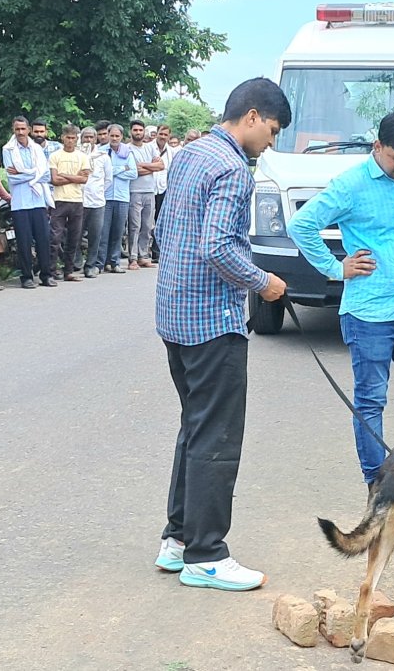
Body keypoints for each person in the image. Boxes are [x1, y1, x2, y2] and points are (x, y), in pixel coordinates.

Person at [154, 77, 291, 591]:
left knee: (195, 426)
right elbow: (218, 247)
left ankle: (177, 540)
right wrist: (266, 282)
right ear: (252, 116)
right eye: (273, 131)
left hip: (175, 317)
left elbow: (166, 230)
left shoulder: (191, 154)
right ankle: (206, 554)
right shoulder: (234, 168)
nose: (271, 143)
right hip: (213, 322)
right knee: (217, 436)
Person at [288, 112, 394, 496]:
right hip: (370, 313)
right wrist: (335, 267)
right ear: (377, 147)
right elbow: (301, 225)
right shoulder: (352, 184)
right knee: (371, 401)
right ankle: (379, 485)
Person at [3, 115, 57, 289]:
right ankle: (26, 277)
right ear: (14, 130)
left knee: (43, 239)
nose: (20, 132)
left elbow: (46, 175)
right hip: (20, 203)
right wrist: (35, 174)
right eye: (17, 129)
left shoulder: (36, 149)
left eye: (23, 129)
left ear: (29, 130)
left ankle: (46, 275)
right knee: (24, 241)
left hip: (38, 200)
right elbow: (12, 178)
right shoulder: (8, 149)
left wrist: (24, 173)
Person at [48, 124, 91, 281]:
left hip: (77, 201)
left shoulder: (82, 157)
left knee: (74, 238)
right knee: (55, 238)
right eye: (68, 137)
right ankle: (51, 271)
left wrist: (64, 175)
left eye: (73, 138)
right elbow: (54, 180)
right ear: (62, 137)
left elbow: (84, 179)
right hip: (59, 201)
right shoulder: (55, 156)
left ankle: (68, 271)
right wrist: (74, 176)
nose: (70, 141)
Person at [95, 124, 136, 273]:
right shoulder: (100, 152)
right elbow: (100, 173)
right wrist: (121, 169)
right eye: (111, 135)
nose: (114, 138)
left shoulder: (127, 152)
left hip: (122, 197)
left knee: (118, 232)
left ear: (121, 137)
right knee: (103, 232)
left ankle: (114, 262)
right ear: (107, 135)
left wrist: (113, 171)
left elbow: (133, 173)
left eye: (117, 136)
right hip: (105, 196)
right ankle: (100, 263)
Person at [76, 126, 112, 278]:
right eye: (86, 137)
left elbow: (108, 179)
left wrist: (98, 191)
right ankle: (76, 263)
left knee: (95, 235)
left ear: (96, 139)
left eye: (91, 137)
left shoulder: (103, 156)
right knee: (75, 234)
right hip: (78, 200)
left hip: (97, 202)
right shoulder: (75, 155)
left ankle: (90, 265)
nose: (88, 140)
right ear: (81, 138)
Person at [126, 120, 162, 270]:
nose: (138, 133)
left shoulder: (150, 148)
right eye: (135, 130)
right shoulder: (126, 149)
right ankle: (133, 257)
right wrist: (150, 167)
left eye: (141, 130)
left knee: (147, 225)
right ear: (131, 132)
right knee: (135, 225)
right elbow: (132, 170)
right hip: (134, 191)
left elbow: (161, 166)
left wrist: (142, 165)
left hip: (149, 191)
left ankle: (143, 256)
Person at [148, 124, 174, 263]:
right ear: (156, 133)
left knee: (161, 222)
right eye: (161, 134)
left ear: (169, 136)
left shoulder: (172, 152)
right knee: (146, 223)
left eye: (165, 135)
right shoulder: (148, 148)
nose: (163, 137)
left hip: (163, 189)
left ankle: (156, 252)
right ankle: (142, 252)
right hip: (149, 188)